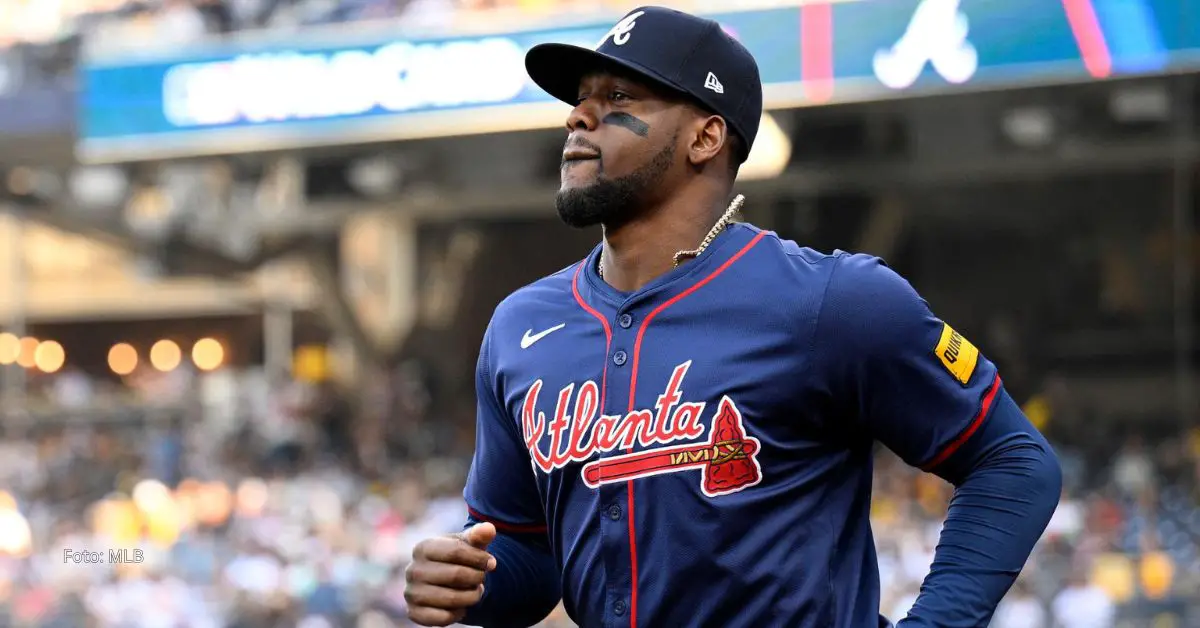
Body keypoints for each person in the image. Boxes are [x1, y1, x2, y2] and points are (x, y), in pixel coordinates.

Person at [404, 6, 1062, 627]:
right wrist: (474, 579)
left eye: (618, 99)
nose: (579, 116)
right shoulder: (522, 327)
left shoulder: (830, 301)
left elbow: (1013, 459)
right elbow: (531, 554)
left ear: (706, 135)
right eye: (581, 98)